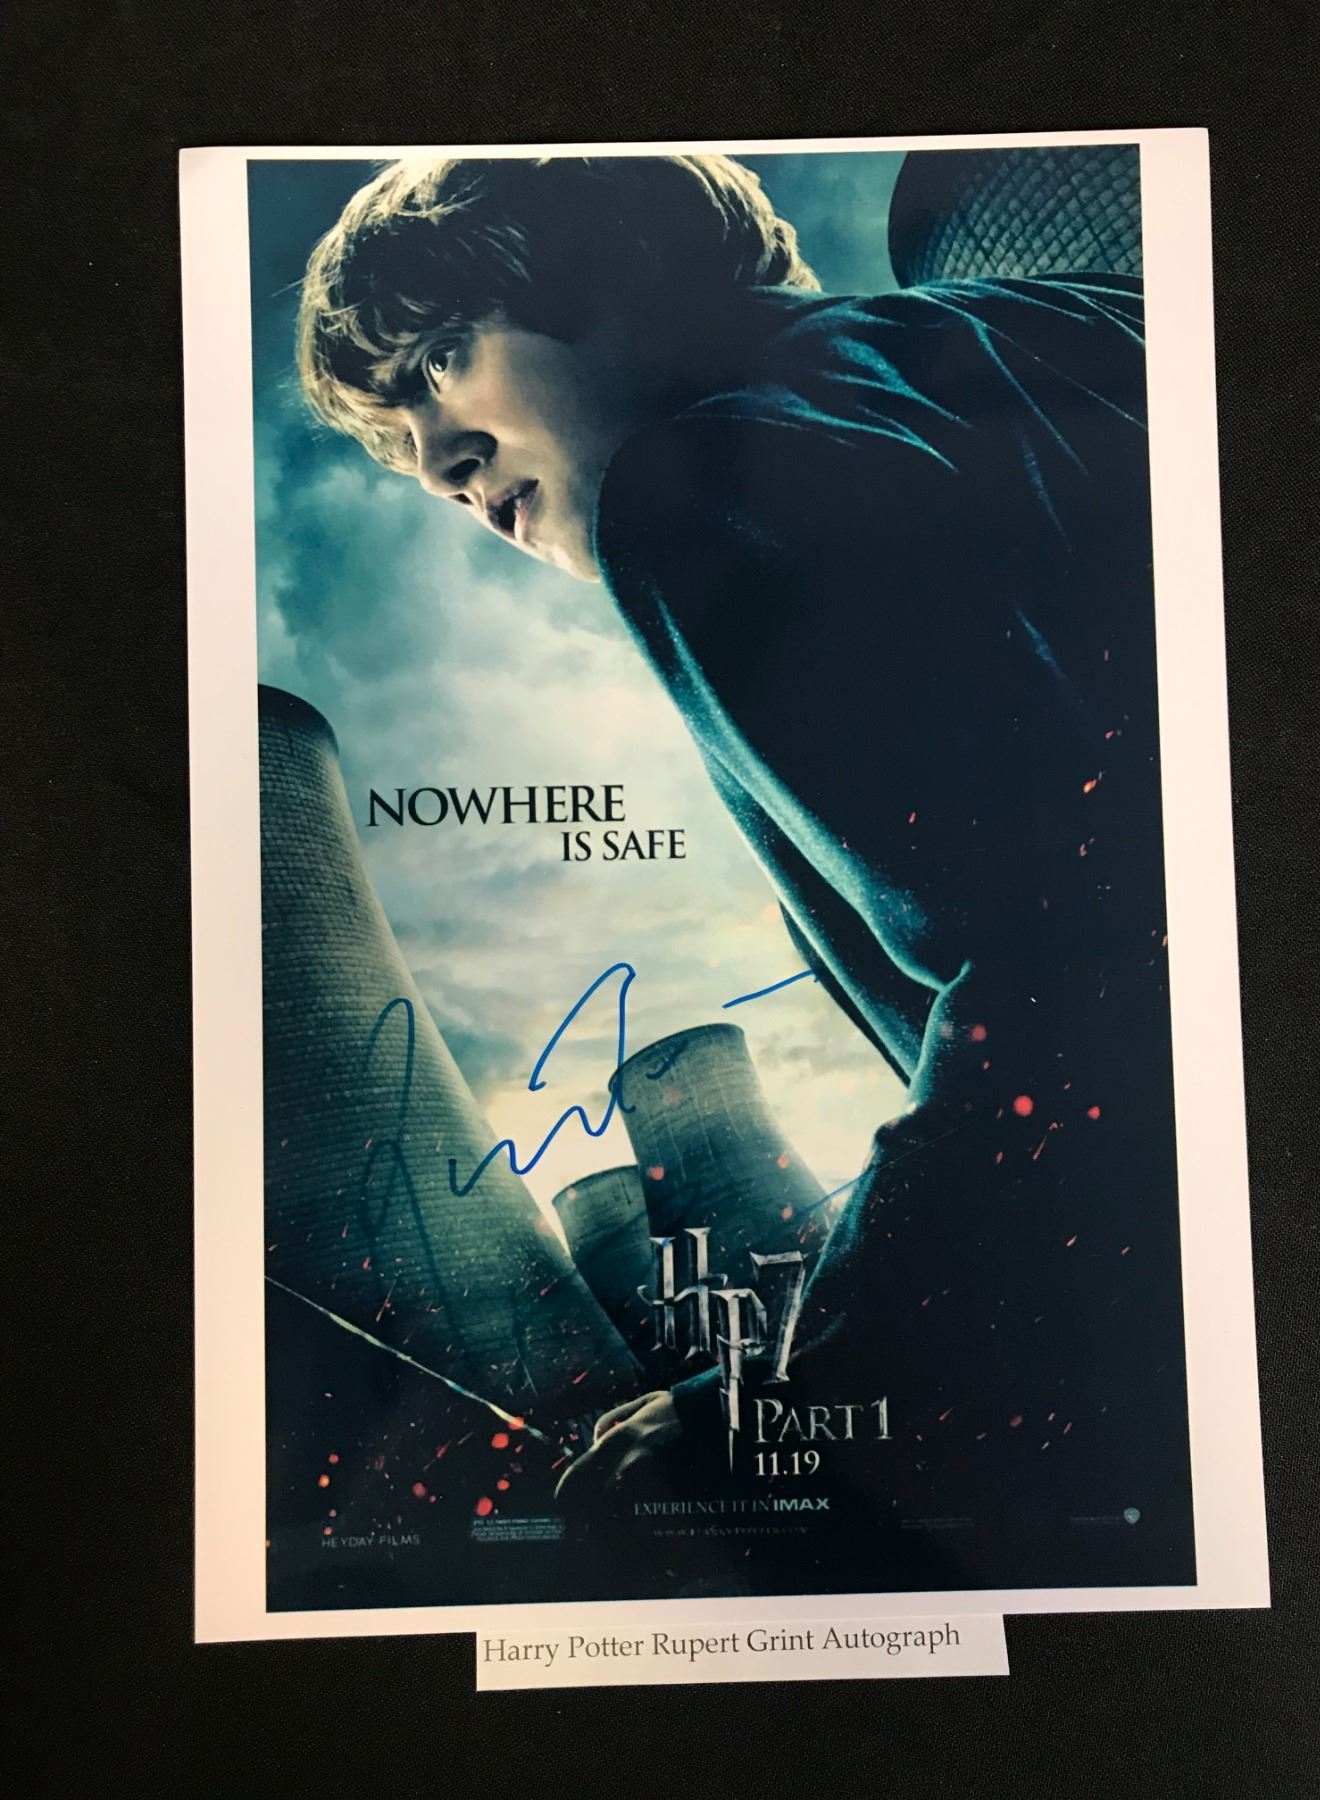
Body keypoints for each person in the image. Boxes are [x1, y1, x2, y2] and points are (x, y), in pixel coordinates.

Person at [297, 154, 1193, 1589]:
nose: (439, 468)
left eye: (441, 360)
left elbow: (1066, 973)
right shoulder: (1070, 326)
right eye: (399, 443)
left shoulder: (695, 489)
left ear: (617, 261)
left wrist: (809, 1402)